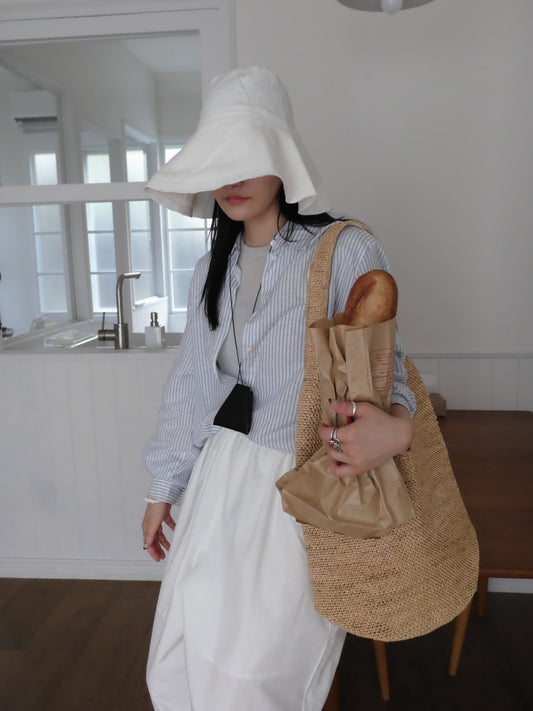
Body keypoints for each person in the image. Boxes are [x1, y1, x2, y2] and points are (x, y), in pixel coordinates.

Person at [141, 65, 416, 711]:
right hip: (219, 479)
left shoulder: (344, 249)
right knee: (182, 654)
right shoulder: (211, 268)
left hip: (302, 482)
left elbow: (390, 372)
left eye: (246, 158)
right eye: (217, 161)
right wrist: (162, 487)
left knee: (256, 676)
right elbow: (192, 382)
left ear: (281, 160)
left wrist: (395, 427)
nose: (230, 179)